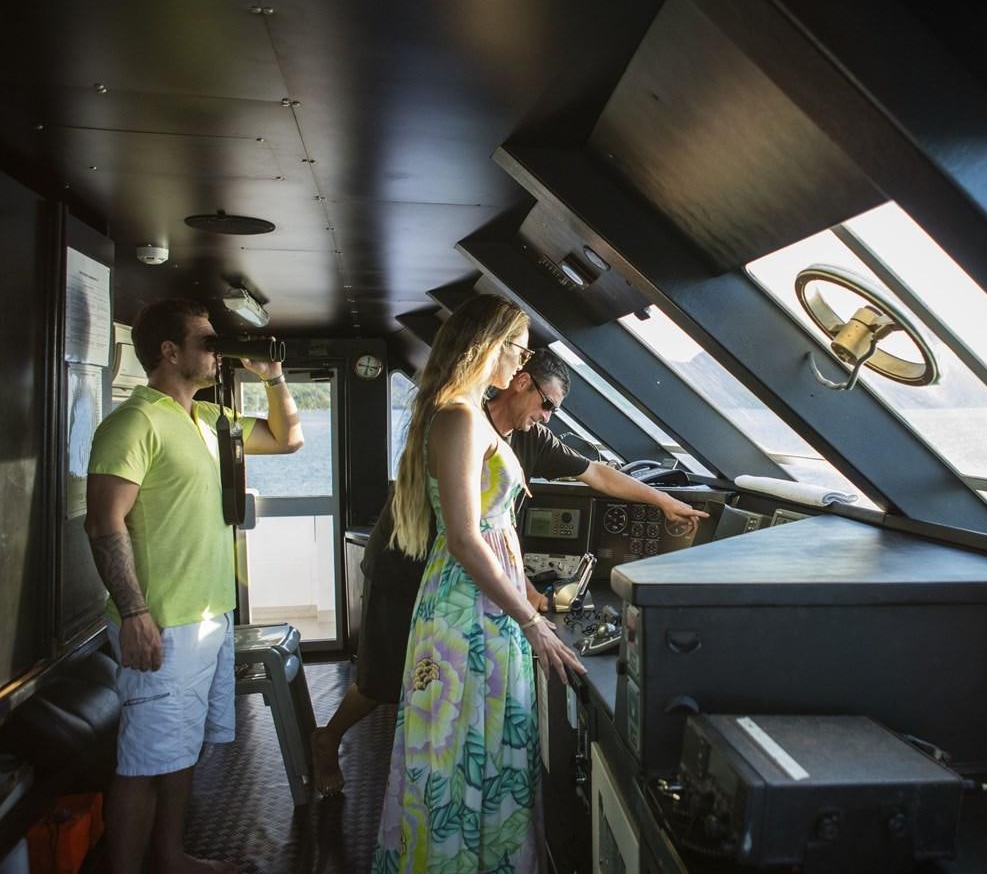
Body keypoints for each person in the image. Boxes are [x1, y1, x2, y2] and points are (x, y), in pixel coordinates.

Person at [312, 347, 706, 797]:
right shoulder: (462, 423)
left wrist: (665, 501)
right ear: (521, 382)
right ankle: (329, 738)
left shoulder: (530, 438)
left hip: (468, 580)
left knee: (451, 684)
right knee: (383, 682)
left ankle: (458, 787)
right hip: (407, 567)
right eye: (547, 405)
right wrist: (531, 609)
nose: (548, 417)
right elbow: (463, 533)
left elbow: (596, 473)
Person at [371, 294, 590, 872]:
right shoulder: (462, 418)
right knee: (462, 750)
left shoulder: (463, 412)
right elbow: (467, 539)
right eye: (516, 349)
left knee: (483, 742)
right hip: (470, 613)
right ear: (488, 344)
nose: (520, 364)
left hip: (480, 605)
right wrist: (533, 621)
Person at [84, 298, 304, 874]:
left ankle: (171, 854)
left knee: (182, 750)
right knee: (142, 760)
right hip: (161, 619)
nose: (216, 351)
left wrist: (274, 379)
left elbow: (288, 440)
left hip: (208, 615)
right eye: (205, 341)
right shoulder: (133, 422)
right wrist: (134, 613)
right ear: (169, 351)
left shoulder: (208, 420)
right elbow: (104, 522)